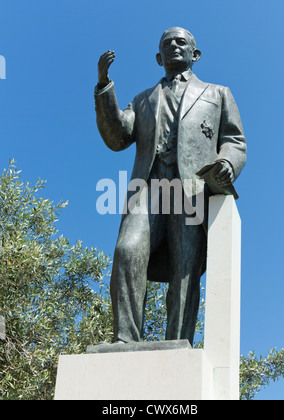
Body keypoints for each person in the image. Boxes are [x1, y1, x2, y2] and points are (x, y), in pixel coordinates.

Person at [94, 27, 247, 345]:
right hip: (148, 191)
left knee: (185, 270)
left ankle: (178, 343)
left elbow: (233, 141)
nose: (174, 46)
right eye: (167, 44)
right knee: (126, 251)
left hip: (191, 191)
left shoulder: (218, 94)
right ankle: (125, 338)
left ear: (196, 54)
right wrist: (104, 86)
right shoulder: (142, 99)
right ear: (158, 57)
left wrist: (226, 164)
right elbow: (118, 138)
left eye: (182, 42)